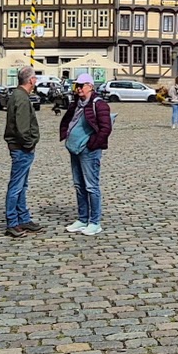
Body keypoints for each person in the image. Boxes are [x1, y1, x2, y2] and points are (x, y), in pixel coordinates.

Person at [61, 73, 112, 236]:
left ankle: (95, 222)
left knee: (91, 186)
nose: (78, 89)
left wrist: (92, 144)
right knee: (79, 185)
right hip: (75, 149)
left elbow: (106, 128)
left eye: (81, 86)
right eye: (76, 86)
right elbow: (69, 120)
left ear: (90, 86)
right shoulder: (77, 103)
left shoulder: (100, 104)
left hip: (89, 151)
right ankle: (83, 218)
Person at [2, 68, 42, 237]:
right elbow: (22, 127)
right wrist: (29, 143)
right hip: (21, 148)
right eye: (35, 78)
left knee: (21, 185)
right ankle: (12, 222)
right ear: (31, 80)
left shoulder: (17, 95)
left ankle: (23, 218)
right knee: (17, 186)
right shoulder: (22, 98)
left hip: (19, 147)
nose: (36, 81)